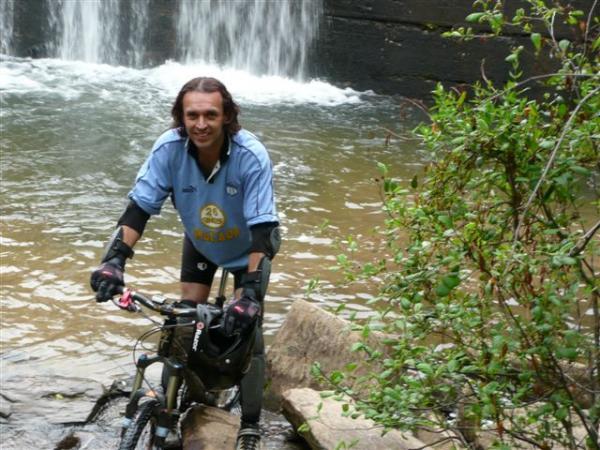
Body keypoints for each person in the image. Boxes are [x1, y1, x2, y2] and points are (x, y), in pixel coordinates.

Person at [90, 76, 280, 450]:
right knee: (183, 321)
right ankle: (175, 405)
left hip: (249, 252)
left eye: (211, 114)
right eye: (192, 115)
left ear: (227, 116)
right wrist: (113, 261)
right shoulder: (169, 148)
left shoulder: (251, 155)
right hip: (203, 244)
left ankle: (251, 424)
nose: (201, 124)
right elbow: (139, 209)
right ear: (181, 117)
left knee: (247, 331)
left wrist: (251, 295)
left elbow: (263, 229)